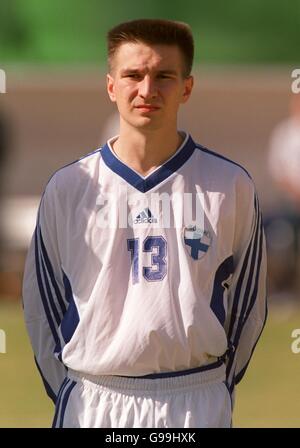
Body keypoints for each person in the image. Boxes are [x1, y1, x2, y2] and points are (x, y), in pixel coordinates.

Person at [22, 19, 267, 428]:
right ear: (110, 86)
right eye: (133, 75)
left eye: (164, 76)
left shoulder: (230, 185)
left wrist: (214, 388)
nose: (147, 90)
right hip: (95, 402)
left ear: (187, 87)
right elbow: (42, 309)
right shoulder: (68, 189)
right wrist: (75, 386)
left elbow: (249, 306)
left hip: (195, 401)